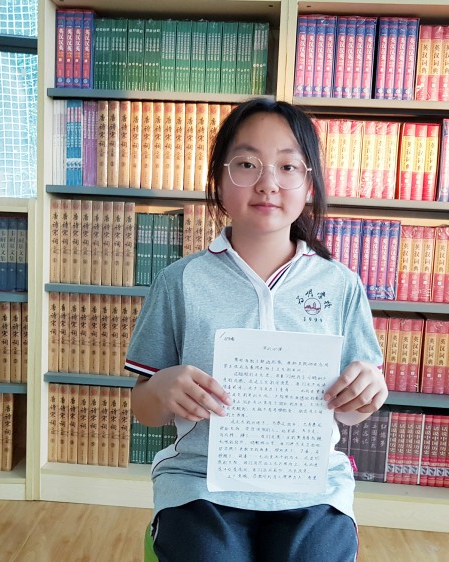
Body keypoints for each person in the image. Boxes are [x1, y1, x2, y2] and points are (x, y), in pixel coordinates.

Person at [125, 98, 388, 562]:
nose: (268, 182)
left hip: (311, 488)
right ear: (219, 181)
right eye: (247, 164)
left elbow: (353, 410)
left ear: (309, 185)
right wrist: (162, 389)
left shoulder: (341, 285)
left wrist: (368, 393)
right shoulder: (180, 281)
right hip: (200, 485)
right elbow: (144, 408)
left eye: (288, 166)